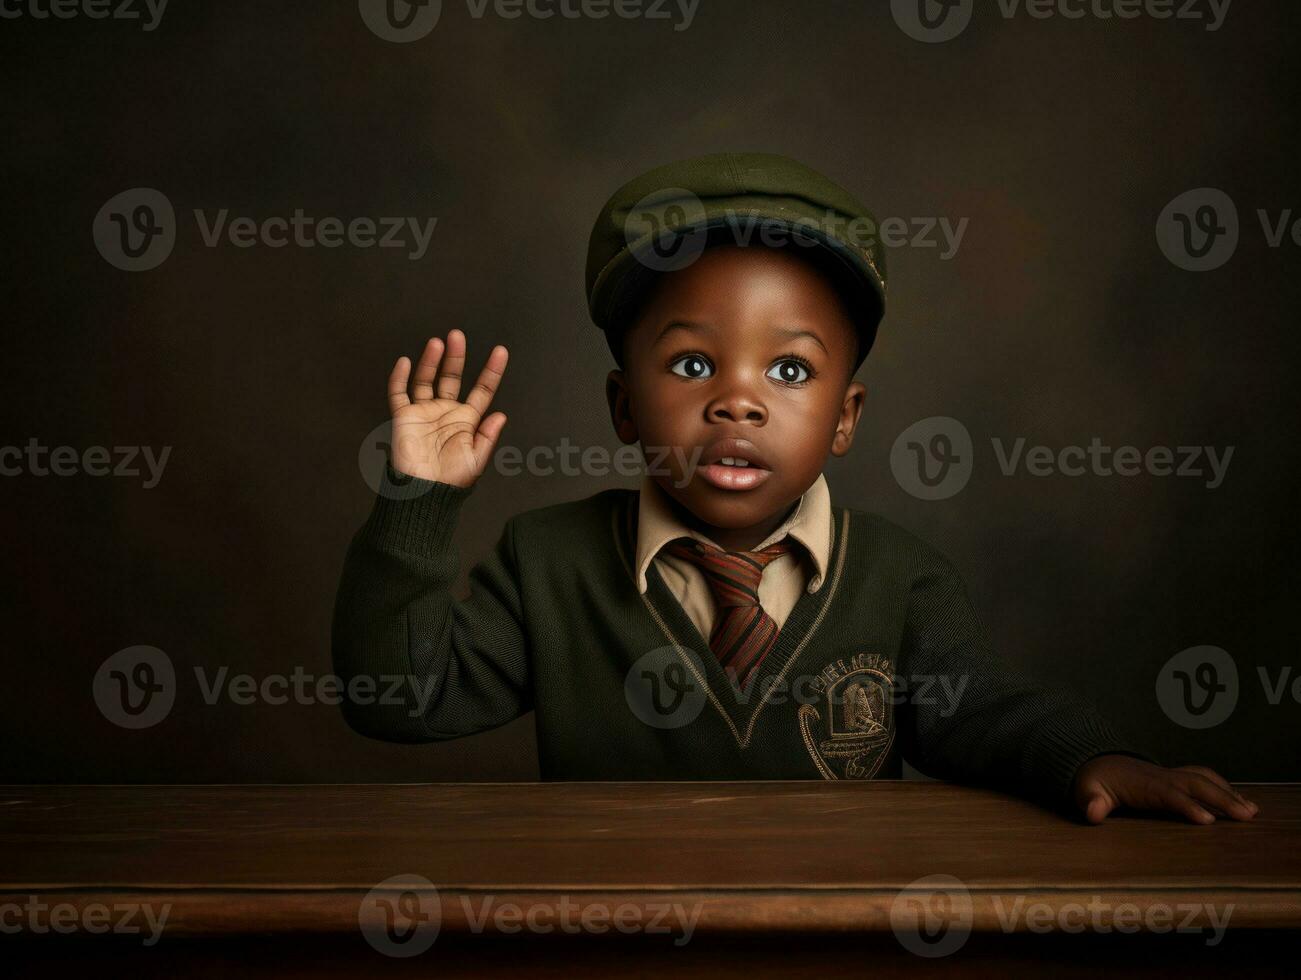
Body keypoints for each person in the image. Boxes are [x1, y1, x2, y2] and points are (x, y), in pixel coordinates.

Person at [332, 152, 1258, 824]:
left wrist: (1091, 758)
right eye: (692, 362)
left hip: (837, 943)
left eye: (787, 373)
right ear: (622, 406)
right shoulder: (547, 564)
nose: (736, 399)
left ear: (846, 418)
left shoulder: (900, 580)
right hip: (607, 939)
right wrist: (417, 498)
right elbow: (395, 699)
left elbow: (984, 711)